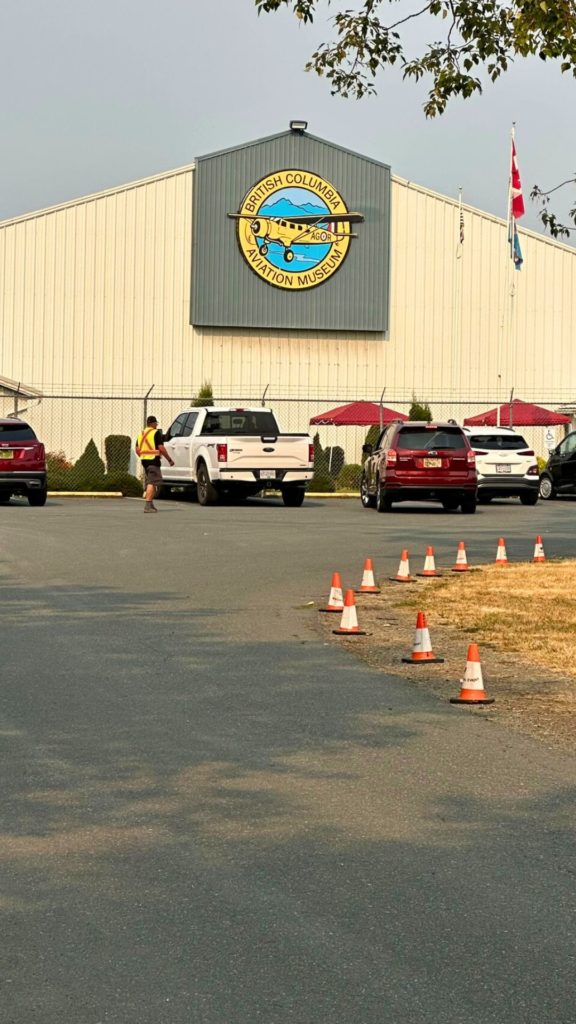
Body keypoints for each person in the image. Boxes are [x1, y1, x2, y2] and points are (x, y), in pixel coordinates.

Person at [135, 415, 174, 513]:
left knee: (152, 481)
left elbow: (137, 449)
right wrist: (169, 459)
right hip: (153, 460)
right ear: (152, 424)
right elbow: (161, 448)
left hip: (145, 461)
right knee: (152, 482)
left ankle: (151, 504)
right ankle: (148, 505)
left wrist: (143, 456)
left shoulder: (142, 434)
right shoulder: (156, 433)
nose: (156, 425)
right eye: (156, 423)